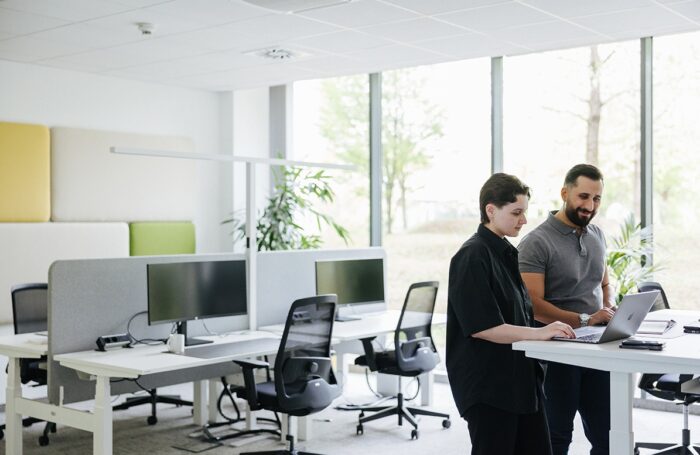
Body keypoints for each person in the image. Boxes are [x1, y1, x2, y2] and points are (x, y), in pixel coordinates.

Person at [447, 173, 575, 455]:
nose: (524, 220)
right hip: (489, 387)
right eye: (516, 212)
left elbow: (517, 316)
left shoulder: (505, 252)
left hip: (521, 381)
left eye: (524, 212)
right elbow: (483, 327)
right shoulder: (471, 256)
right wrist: (540, 332)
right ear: (490, 210)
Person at [518, 164, 615, 455]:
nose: (589, 205)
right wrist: (585, 318)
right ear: (565, 193)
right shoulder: (537, 242)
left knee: (609, 433)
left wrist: (609, 306)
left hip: (597, 347)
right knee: (556, 436)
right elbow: (533, 306)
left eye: (596, 199)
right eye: (583, 196)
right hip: (558, 351)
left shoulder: (597, 234)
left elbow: (605, 282)